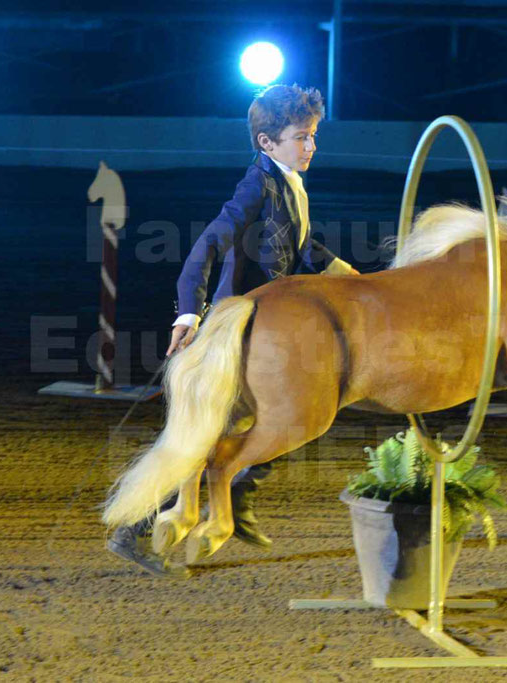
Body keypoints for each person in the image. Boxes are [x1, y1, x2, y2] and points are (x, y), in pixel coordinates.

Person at [108, 83, 358, 576]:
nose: (311, 146)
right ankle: (137, 531)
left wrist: (361, 283)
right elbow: (206, 246)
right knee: (214, 433)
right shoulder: (257, 185)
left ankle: (238, 499)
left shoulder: (289, 182)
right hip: (240, 329)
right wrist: (188, 314)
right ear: (267, 143)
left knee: (288, 413)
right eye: (301, 137)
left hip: (274, 324)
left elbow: (305, 251)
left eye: (313, 136)